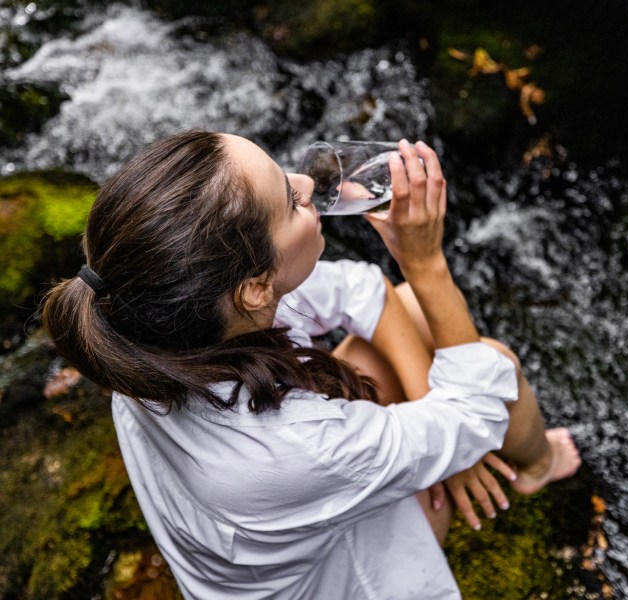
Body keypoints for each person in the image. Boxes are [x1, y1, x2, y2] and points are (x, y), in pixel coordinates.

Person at [42, 130, 581, 599]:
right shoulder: (296, 448)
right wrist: (426, 261)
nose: (306, 183)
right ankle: (536, 469)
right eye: (289, 201)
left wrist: (441, 431)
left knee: (413, 311)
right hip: (340, 578)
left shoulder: (144, 324)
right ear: (254, 289)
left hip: (270, 527)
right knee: (492, 359)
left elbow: (363, 292)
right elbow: (484, 405)